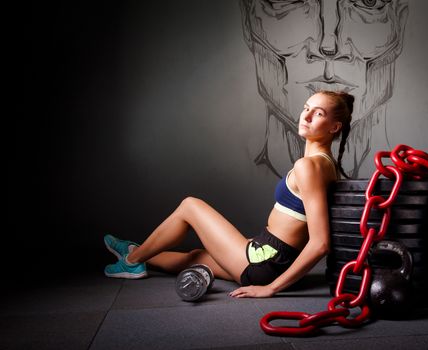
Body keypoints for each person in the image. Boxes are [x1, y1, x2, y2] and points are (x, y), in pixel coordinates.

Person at [104, 90, 354, 298]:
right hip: (267, 254)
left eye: (318, 113)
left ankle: (132, 259)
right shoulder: (327, 164)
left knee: (190, 206)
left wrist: (270, 289)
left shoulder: (308, 166)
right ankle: (137, 253)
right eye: (306, 107)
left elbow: (320, 243)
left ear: (335, 126)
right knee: (196, 257)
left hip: (264, 265)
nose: (307, 116)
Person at [240, 0, 408, 178]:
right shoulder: (321, 164)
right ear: (247, 19)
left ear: (400, 22)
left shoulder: (309, 167)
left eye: (368, 2)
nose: (329, 46)